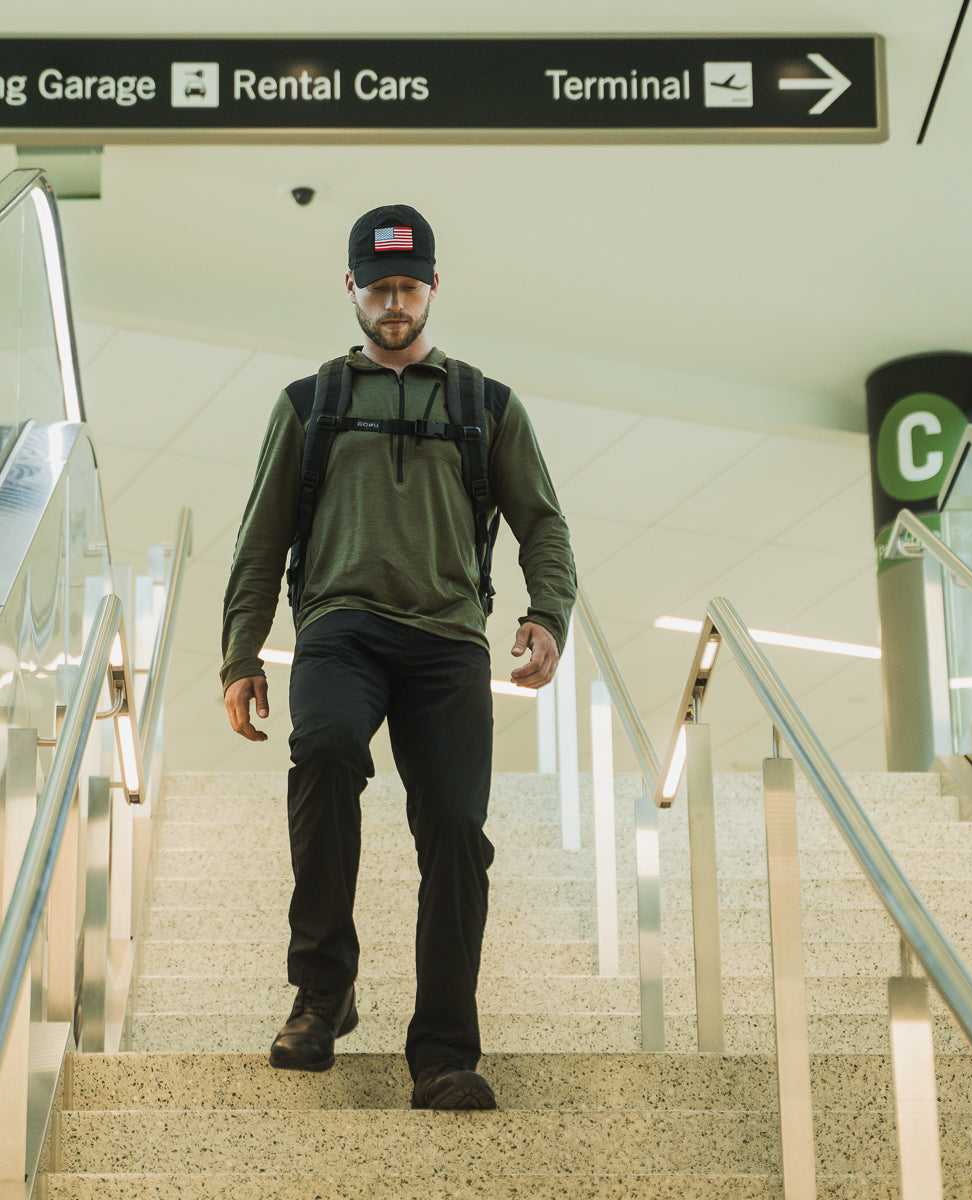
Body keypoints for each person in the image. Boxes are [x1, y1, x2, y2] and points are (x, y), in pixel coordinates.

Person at [220, 203, 576, 1110]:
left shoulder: (485, 405)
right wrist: (239, 656)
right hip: (340, 626)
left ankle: (445, 1052)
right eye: (376, 287)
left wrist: (548, 615)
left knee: (456, 833)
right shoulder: (310, 403)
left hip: (449, 641)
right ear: (351, 289)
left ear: (431, 289)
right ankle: (322, 992)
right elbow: (260, 542)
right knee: (330, 750)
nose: (392, 303)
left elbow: (542, 522)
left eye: (407, 287)